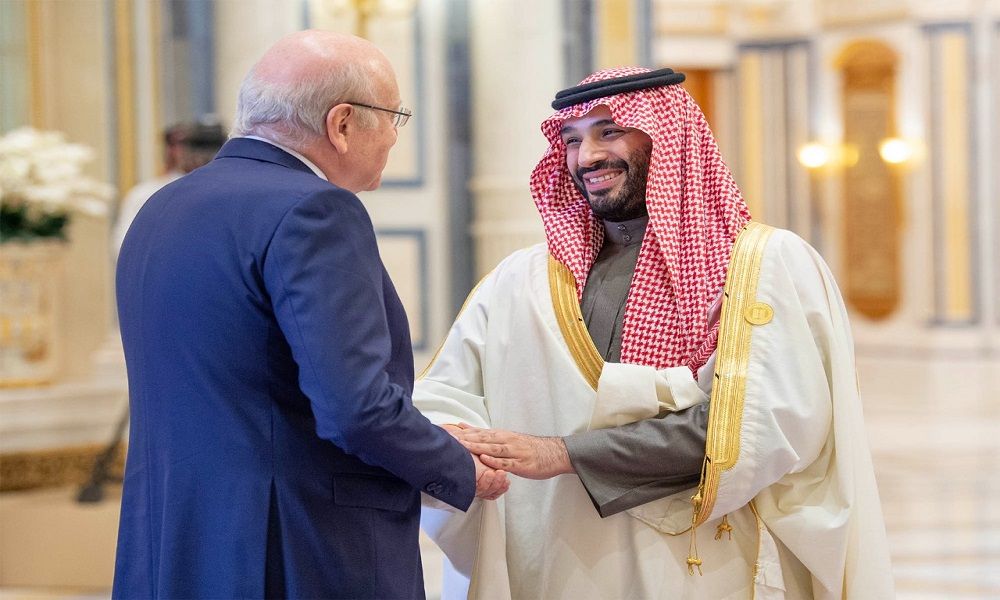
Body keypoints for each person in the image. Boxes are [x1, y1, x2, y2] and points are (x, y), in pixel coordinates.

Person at [415, 67, 893, 599]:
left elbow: (762, 425)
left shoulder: (762, 266)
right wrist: (457, 445)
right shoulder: (519, 280)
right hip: (549, 560)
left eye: (610, 132)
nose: (587, 157)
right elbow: (446, 393)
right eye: (571, 140)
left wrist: (564, 453)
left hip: (702, 565)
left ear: (668, 139)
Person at [113, 30, 507, 599]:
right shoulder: (316, 211)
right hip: (295, 548)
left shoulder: (162, 205)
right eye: (393, 117)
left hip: (174, 541)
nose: (394, 138)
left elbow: (243, 387)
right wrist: (458, 466)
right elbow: (356, 410)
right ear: (342, 123)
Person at [111, 119, 227, 255]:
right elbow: (124, 247)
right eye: (195, 145)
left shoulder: (228, 192)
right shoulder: (146, 194)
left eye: (212, 146)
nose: (202, 155)